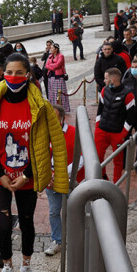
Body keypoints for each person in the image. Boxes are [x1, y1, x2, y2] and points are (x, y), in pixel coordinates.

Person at [0, 53, 69, 272]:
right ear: (3, 73)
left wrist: (27, 175)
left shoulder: (40, 106)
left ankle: (26, 263)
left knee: (26, 221)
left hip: (27, 176)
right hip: (0, 175)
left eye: (19, 73)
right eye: (9, 72)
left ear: (28, 74)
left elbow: (44, 144)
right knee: (2, 225)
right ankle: (7, 264)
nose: (13, 77)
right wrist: (0, 174)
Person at [44, 104, 83, 256]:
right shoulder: (44, 133)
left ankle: (78, 239)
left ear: (62, 118)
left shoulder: (74, 132)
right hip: (51, 181)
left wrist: (62, 173)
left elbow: (82, 157)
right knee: (54, 211)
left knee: (74, 209)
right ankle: (58, 240)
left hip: (70, 180)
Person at [94, 68, 135, 183]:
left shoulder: (128, 95)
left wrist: (122, 135)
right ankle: (103, 177)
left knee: (118, 161)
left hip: (117, 133)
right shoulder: (103, 90)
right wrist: (98, 127)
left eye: (106, 78)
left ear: (113, 79)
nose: (104, 80)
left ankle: (116, 184)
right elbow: (100, 110)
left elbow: (130, 117)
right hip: (102, 131)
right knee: (97, 157)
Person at [45, 43, 70, 113]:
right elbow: (46, 65)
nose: (51, 49)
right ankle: (53, 107)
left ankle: (62, 108)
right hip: (50, 76)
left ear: (56, 49)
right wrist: (52, 67)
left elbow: (57, 65)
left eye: (52, 48)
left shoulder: (61, 56)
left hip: (58, 76)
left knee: (59, 93)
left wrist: (51, 66)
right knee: (51, 92)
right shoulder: (50, 56)